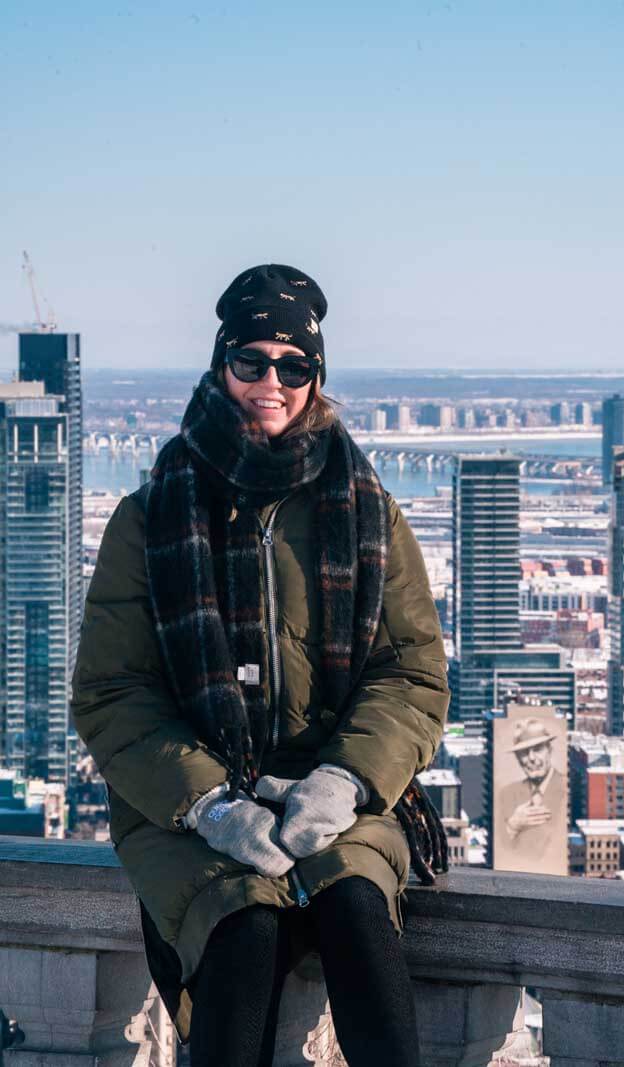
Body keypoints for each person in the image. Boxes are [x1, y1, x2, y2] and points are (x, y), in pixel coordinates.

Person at [71, 263, 450, 1067]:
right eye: (252, 360)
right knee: (241, 928)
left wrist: (347, 779)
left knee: (356, 913)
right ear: (221, 367)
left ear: (317, 379)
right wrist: (208, 803)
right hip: (190, 799)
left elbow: (410, 672)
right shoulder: (153, 516)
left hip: (331, 786)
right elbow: (112, 692)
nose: (271, 382)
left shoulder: (367, 510)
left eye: (295, 365)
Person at [495, 717, 566, 874]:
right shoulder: (507, 794)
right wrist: (512, 826)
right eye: (523, 753)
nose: (531, 758)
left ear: (550, 750)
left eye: (538, 749)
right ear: (517, 758)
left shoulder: (566, 788)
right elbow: (502, 847)